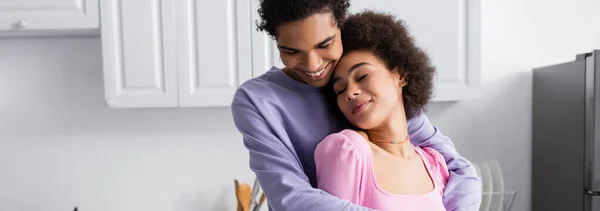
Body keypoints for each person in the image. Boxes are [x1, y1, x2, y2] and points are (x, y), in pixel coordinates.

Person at [230, 0, 481, 210]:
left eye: (324, 44)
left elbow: (457, 167)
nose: (313, 64)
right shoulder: (257, 100)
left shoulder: (356, 70)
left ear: (341, 27)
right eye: (291, 51)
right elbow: (291, 198)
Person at [315, 11, 462, 211]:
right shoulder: (348, 150)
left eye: (362, 76)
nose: (350, 92)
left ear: (400, 75)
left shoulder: (434, 164)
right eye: (340, 90)